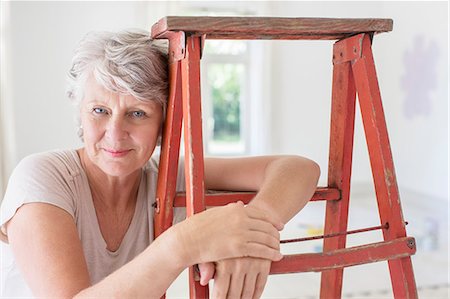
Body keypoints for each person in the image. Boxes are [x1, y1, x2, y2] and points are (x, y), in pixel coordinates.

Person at [0, 29, 320, 298]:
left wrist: (256, 225)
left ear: (164, 126)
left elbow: (298, 168)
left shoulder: (166, 178)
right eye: (100, 111)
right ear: (80, 113)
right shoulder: (42, 176)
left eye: (137, 113)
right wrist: (182, 244)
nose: (115, 133)